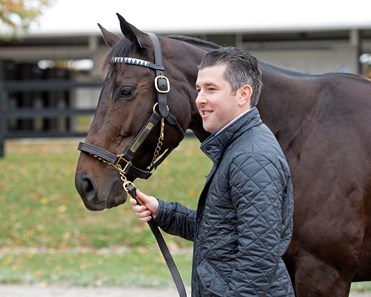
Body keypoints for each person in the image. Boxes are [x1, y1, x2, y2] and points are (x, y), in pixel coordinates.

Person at [130, 47, 295, 296]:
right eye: (198, 89)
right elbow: (219, 233)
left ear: (243, 94)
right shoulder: (238, 147)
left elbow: (258, 257)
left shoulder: (251, 156)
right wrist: (163, 212)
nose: (200, 99)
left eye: (211, 89)